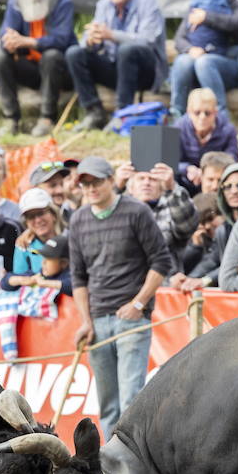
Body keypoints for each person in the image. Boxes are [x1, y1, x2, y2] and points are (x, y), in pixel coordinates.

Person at [67, 154, 175, 435]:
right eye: (85, 183)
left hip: (131, 319)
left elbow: (161, 262)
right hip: (98, 321)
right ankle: (110, 462)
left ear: (112, 181)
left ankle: (131, 461)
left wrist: (138, 303)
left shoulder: (136, 211)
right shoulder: (78, 220)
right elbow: (78, 276)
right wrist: (85, 321)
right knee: (108, 404)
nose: (90, 188)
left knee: (131, 400)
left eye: (96, 181)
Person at [66, 0, 166, 131]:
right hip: (116, 70)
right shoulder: (103, 5)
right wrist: (92, 40)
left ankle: (122, 113)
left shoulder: (147, 2)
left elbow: (148, 40)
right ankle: (94, 113)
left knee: (127, 50)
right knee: (75, 53)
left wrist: (112, 35)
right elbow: (88, 41)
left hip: (146, 71)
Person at [0, 0, 77, 137]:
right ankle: (11, 118)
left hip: (60, 72)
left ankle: (47, 118)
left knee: (51, 55)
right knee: (0, 58)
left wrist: (30, 42)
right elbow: (5, 32)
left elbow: (62, 39)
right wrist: (9, 41)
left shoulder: (62, 2)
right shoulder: (14, 3)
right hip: (31, 70)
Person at [170, 0, 238, 117]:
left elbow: (236, 27)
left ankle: (220, 114)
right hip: (195, 64)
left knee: (204, 62)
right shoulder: (196, 6)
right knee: (183, 61)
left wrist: (207, 17)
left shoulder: (237, 6)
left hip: (225, 63)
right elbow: (179, 39)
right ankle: (177, 113)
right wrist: (191, 49)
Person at [121, 162, 199, 262]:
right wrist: (116, 188)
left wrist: (172, 188)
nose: (146, 183)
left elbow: (187, 227)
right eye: (141, 178)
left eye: (153, 179)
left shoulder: (171, 208)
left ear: (161, 188)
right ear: (131, 188)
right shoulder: (122, 209)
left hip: (166, 275)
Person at [176, 88, 238, 193]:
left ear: (215, 112)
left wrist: (209, 172)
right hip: (187, 181)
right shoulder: (179, 128)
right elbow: (172, 162)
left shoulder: (227, 130)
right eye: (197, 112)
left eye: (207, 113)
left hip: (217, 181)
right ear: (188, 112)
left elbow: (232, 158)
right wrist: (187, 169)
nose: (202, 117)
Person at [12, 186, 64, 275]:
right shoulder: (23, 245)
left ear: (53, 214)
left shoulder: (69, 238)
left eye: (41, 213)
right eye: (31, 216)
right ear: (26, 223)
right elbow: (19, 280)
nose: (38, 220)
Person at [4, 233, 73, 295]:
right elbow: (4, 281)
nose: (43, 262)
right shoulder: (41, 274)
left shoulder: (70, 276)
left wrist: (45, 283)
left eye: (48, 259)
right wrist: (23, 280)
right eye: (43, 257)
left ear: (63, 263)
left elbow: (74, 286)